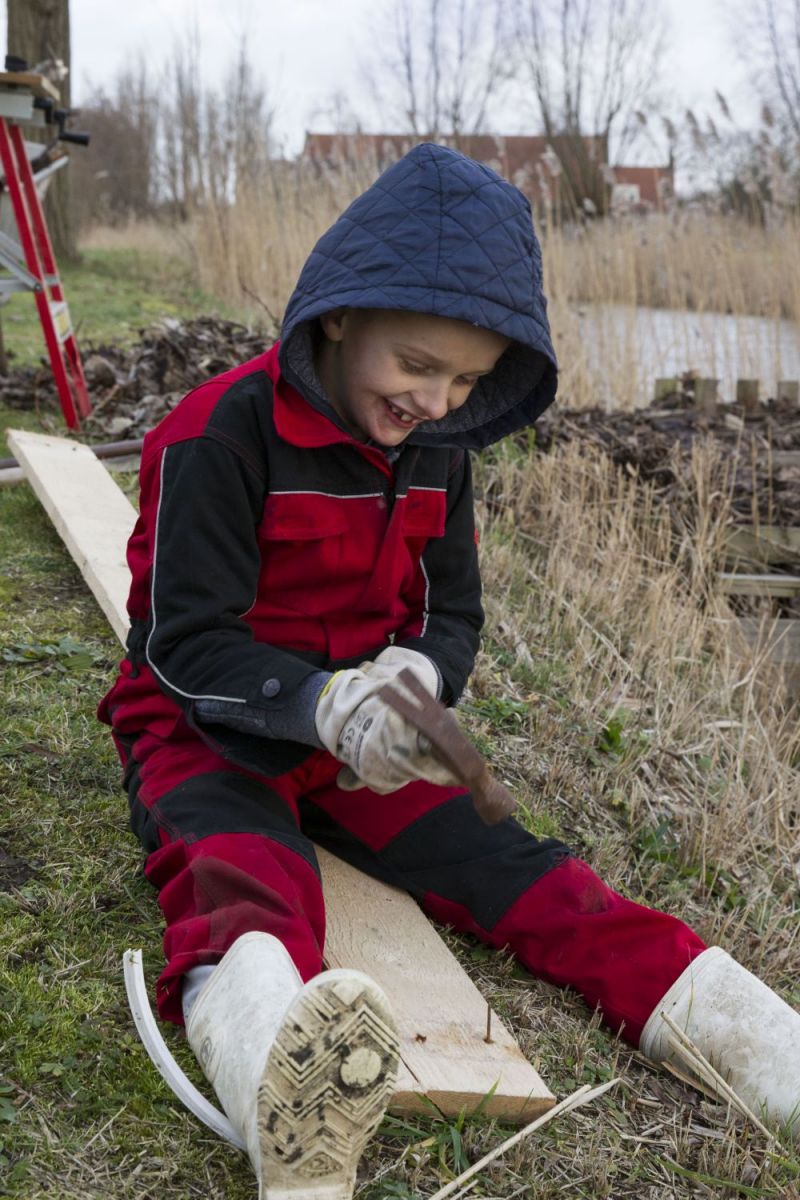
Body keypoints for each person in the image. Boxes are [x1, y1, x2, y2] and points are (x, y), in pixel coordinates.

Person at [99, 143, 800, 1198]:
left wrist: (416, 689)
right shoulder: (217, 437)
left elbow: (449, 613)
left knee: (530, 877)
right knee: (242, 875)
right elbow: (184, 643)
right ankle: (279, 1102)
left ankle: (761, 1049)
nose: (435, 400)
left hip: (369, 743)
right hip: (207, 724)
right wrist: (317, 703)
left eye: (466, 381)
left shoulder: (439, 451)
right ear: (337, 317)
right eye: (416, 365)